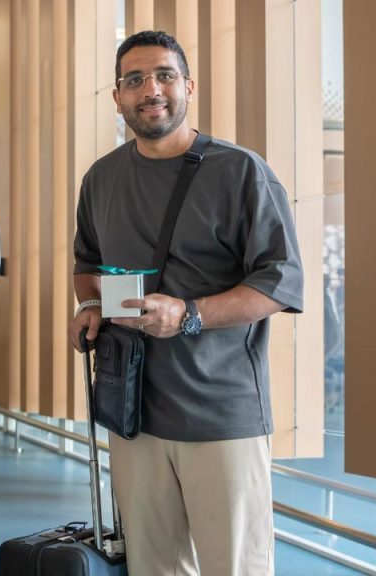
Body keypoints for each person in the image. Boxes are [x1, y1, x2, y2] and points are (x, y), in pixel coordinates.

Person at [68, 30, 303, 576]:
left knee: (234, 567)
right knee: (153, 567)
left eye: (164, 75)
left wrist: (189, 314)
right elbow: (88, 266)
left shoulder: (240, 171)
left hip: (220, 413)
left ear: (189, 86)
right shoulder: (101, 178)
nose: (151, 89)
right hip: (133, 413)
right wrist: (92, 307)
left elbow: (281, 281)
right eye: (134, 80)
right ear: (117, 97)